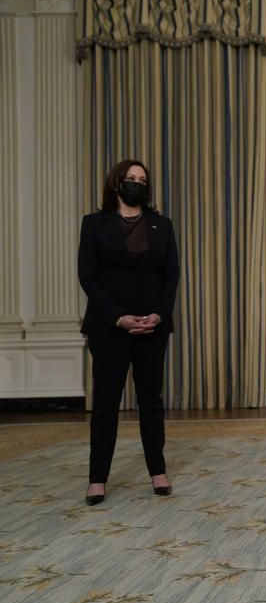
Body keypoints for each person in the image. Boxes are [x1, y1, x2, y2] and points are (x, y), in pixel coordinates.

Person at [78, 160, 180, 506]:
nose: (137, 183)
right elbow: (88, 277)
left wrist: (159, 314)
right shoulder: (94, 224)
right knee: (106, 403)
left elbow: (171, 274)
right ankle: (97, 479)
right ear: (117, 183)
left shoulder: (161, 225)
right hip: (110, 328)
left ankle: (158, 471)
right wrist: (118, 317)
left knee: (151, 401)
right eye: (131, 178)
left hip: (152, 326)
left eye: (143, 179)